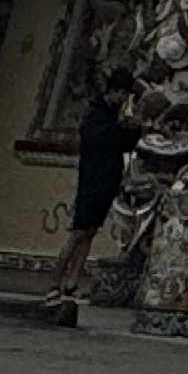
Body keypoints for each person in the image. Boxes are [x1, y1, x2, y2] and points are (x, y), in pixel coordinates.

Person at [52, 76, 132, 306]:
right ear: (113, 91)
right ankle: (55, 281)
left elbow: (125, 143)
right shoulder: (96, 115)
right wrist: (121, 128)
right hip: (92, 180)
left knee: (90, 232)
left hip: (107, 180)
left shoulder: (113, 115)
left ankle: (72, 282)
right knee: (77, 232)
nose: (124, 98)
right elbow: (103, 139)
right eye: (122, 93)